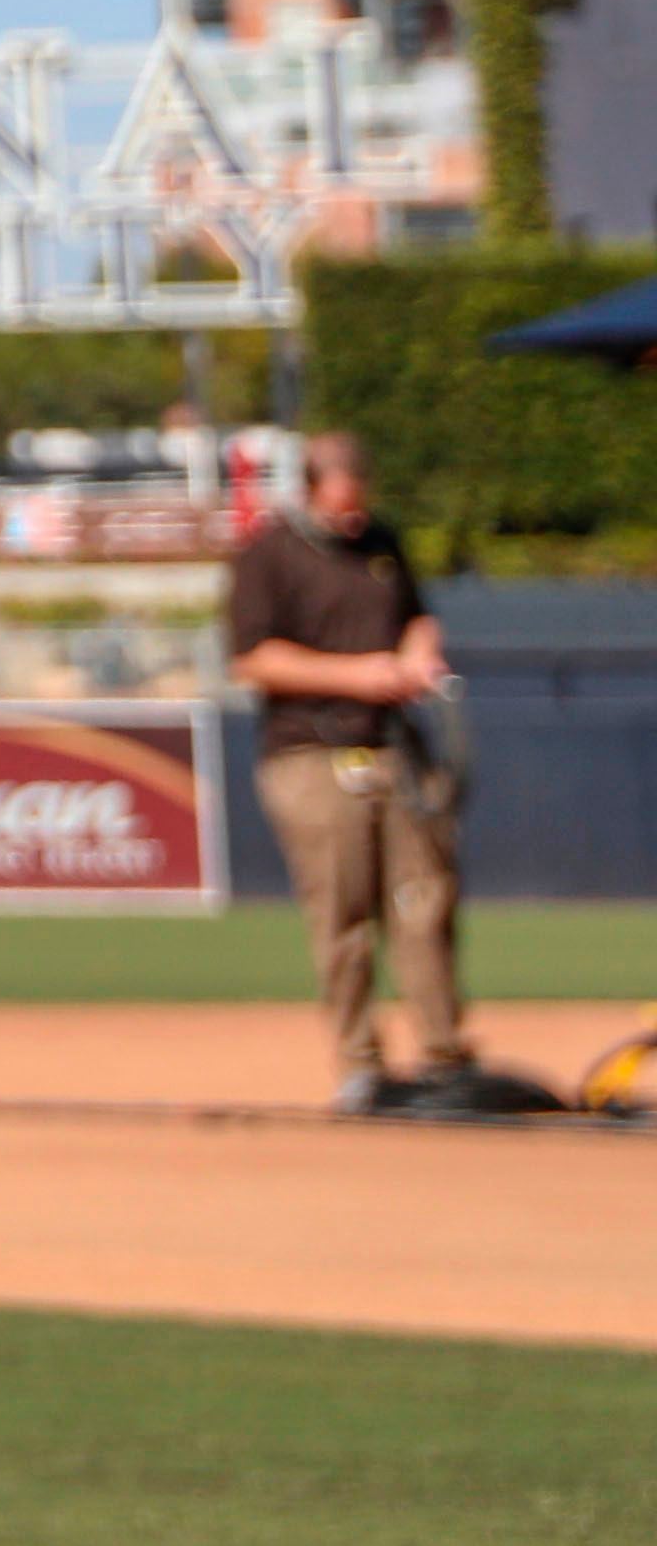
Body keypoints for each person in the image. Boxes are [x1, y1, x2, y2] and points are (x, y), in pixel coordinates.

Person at [231, 426, 469, 1112]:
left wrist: (419, 656)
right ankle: (360, 1062)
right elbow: (252, 659)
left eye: (359, 503)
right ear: (309, 492)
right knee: (344, 913)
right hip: (310, 751)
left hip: (393, 747)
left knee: (426, 897)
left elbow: (418, 619)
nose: (353, 517)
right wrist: (357, 676)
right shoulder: (268, 555)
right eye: (340, 505)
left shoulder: (380, 543)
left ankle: (444, 1052)